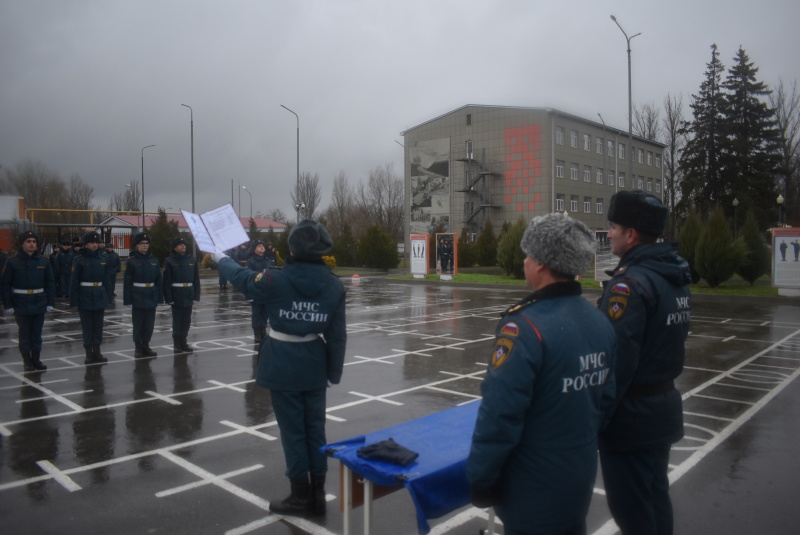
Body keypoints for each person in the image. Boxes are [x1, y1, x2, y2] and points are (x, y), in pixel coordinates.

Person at [467, 213, 616, 535]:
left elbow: (500, 415)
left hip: (531, 487)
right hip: (578, 475)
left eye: (527, 255)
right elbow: (606, 400)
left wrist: (481, 478)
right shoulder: (599, 322)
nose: (524, 262)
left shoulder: (524, 328)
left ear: (540, 264)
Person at [213, 220, 346, 518]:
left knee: (293, 433)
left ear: (292, 249)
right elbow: (337, 335)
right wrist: (333, 373)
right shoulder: (334, 284)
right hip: (314, 362)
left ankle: (300, 497)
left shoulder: (275, 279)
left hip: (284, 361)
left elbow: (243, 278)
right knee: (315, 429)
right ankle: (317, 495)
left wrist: (220, 257)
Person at [597, 190, 691, 535]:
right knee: (654, 500)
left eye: (613, 227)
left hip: (631, 419)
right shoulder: (673, 276)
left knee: (632, 512)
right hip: (661, 409)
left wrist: (598, 418)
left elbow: (616, 363)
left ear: (631, 234)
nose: (609, 235)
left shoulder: (630, 285)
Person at [1, 231, 56, 372]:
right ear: (22, 244)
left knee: (37, 333)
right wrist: (8, 305)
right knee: (24, 334)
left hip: (38, 302)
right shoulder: (13, 262)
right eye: (28, 241)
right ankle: (27, 360)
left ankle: (36, 359)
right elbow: (5, 285)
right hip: (21, 302)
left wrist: (50, 302)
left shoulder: (43, 262)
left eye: (34, 241)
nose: (32, 244)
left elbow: (50, 283)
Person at [70, 231, 110, 365]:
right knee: (87, 326)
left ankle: (97, 351)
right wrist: (74, 300)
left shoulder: (103, 259)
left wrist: (108, 296)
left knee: (98, 326)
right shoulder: (79, 260)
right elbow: (74, 282)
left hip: (99, 294)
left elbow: (107, 280)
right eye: (92, 243)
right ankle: (88, 352)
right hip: (85, 295)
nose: (94, 245)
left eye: (96, 242)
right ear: (86, 244)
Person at [124, 232, 163, 358]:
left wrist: (159, 297)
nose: (145, 246)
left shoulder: (154, 261)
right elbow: (127, 282)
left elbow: (158, 280)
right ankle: (138, 347)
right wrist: (128, 300)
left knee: (149, 323)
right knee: (138, 323)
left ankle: (146, 345)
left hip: (150, 294)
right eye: (142, 243)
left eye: (147, 243)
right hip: (138, 295)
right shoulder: (132, 262)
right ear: (136, 246)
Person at [163, 236, 200, 353]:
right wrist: (168, 298)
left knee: (186, 321)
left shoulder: (191, 260)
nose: (183, 246)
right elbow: (166, 282)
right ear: (175, 247)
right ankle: (177, 344)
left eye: (184, 244)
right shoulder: (170, 261)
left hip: (188, 293)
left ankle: (184, 342)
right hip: (177, 294)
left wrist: (196, 296)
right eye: (180, 244)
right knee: (177, 320)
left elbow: (196, 280)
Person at [246, 240, 272, 343]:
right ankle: (257, 333)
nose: (262, 247)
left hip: (266, 290)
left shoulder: (268, 260)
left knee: (265, 313)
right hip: (255, 291)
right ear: (254, 249)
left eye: (262, 245)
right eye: (259, 246)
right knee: (257, 313)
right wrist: (248, 294)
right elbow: (248, 277)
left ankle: (263, 331)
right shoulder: (251, 261)